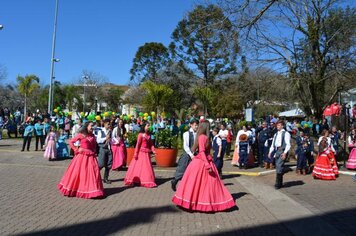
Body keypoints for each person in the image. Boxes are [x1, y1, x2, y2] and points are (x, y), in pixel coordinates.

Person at [172, 121, 235, 212]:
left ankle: (208, 202)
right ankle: (200, 203)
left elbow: (204, 151)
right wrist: (207, 165)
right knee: (201, 184)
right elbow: (201, 152)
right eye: (209, 127)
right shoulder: (202, 137)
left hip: (203, 161)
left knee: (207, 185)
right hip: (202, 162)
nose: (210, 129)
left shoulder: (203, 137)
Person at [57, 121, 104, 199]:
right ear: (86, 127)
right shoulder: (81, 135)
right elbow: (71, 141)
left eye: (93, 126)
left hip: (91, 157)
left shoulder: (93, 136)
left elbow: (94, 146)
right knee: (77, 173)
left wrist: (94, 151)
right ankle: (74, 189)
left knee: (92, 173)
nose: (92, 127)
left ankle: (92, 190)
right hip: (81, 157)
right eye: (91, 126)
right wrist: (76, 149)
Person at [124, 122, 156, 187]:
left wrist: (153, 150)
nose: (149, 127)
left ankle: (146, 180)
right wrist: (136, 153)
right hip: (140, 153)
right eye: (147, 125)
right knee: (138, 167)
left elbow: (151, 144)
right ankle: (136, 179)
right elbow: (138, 145)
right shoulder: (140, 135)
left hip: (146, 154)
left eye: (149, 126)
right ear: (144, 127)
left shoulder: (149, 135)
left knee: (146, 168)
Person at [171, 118, 199, 191]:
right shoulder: (186, 134)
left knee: (192, 173)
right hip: (187, 155)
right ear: (191, 125)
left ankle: (188, 188)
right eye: (195, 125)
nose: (196, 127)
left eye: (197, 125)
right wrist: (191, 155)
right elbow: (185, 146)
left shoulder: (197, 134)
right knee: (181, 170)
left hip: (194, 155)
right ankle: (174, 181)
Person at [269, 121, 291, 189]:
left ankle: (277, 184)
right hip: (277, 150)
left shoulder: (286, 133)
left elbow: (288, 144)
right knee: (278, 166)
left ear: (282, 126)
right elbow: (273, 144)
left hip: (282, 150)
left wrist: (285, 153)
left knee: (279, 166)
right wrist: (270, 152)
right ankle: (280, 183)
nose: (277, 126)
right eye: (277, 125)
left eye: (279, 125)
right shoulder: (276, 134)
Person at [96, 119, 113, 184]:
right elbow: (98, 140)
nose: (109, 125)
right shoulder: (101, 131)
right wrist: (105, 138)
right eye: (108, 124)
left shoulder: (110, 131)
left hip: (109, 148)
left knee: (109, 164)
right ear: (104, 124)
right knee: (101, 164)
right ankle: (95, 176)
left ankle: (106, 178)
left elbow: (111, 140)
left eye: (110, 124)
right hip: (102, 148)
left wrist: (112, 140)